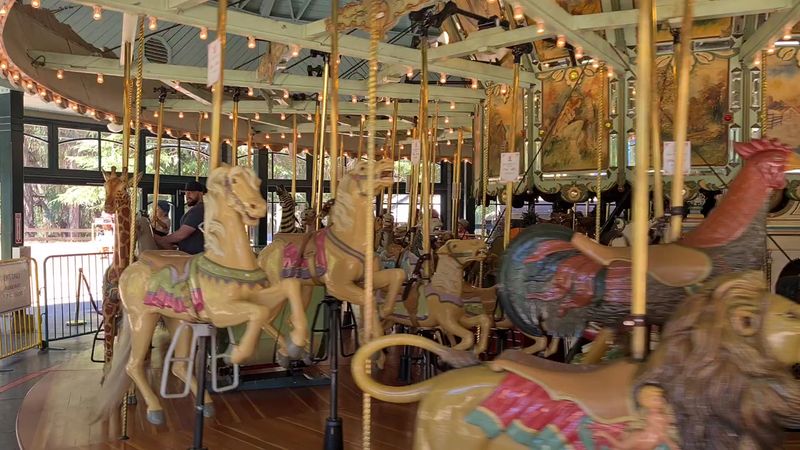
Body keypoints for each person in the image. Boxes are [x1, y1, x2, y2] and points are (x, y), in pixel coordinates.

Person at [154, 181, 205, 254]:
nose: (187, 195)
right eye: (186, 193)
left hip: (192, 256)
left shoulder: (199, 210)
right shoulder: (197, 209)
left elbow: (181, 234)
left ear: (200, 193)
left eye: (191, 192)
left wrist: (162, 240)